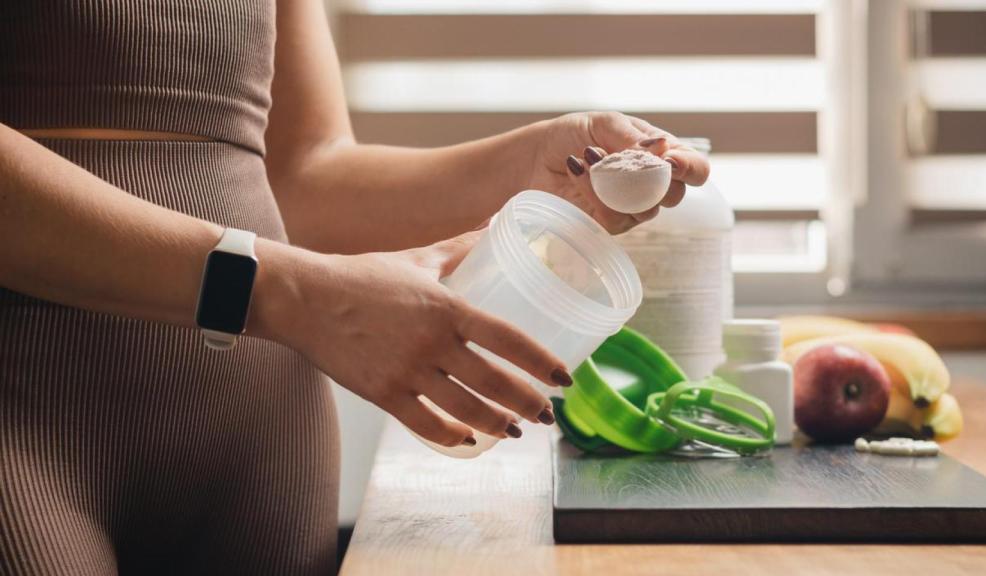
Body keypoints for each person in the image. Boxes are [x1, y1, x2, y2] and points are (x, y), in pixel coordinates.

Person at [0, 1, 710, 574]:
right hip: (26, 424)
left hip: (257, 438)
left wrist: (531, 162)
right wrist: (289, 294)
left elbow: (302, 175)